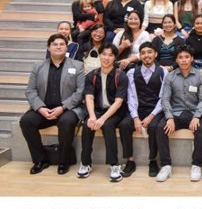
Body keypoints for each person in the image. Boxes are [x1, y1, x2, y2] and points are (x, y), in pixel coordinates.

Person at [20, 33, 85, 175]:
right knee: (26, 121)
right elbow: (30, 91)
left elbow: (80, 92)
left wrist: (62, 107)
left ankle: (63, 161)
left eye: (62, 44)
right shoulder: (38, 66)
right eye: (55, 44)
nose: (58, 47)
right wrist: (40, 108)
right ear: (48, 47)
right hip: (44, 109)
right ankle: (40, 160)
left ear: (67, 47)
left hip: (68, 108)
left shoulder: (78, 66)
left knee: (66, 122)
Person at [77, 43, 128, 182]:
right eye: (104, 54)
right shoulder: (92, 75)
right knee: (88, 125)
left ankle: (114, 165)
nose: (106, 58)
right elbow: (89, 96)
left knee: (107, 126)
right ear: (99, 55)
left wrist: (103, 119)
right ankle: (85, 163)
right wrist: (93, 116)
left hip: (115, 111)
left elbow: (118, 102)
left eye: (110, 55)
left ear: (115, 58)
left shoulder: (121, 76)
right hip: (97, 110)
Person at [157, 44, 202, 182]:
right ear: (177, 60)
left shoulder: (200, 76)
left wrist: (197, 116)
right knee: (161, 128)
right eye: (180, 57)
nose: (184, 60)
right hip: (176, 113)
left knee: (201, 129)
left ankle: (196, 165)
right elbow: (165, 99)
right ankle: (166, 165)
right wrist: (169, 117)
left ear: (192, 59)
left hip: (193, 112)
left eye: (187, 57)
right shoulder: (170, 77)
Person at [120, 42, 168, 178]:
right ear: (140, 56)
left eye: (149, 52)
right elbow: (131, 97)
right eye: (143, 53)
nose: (146, 55)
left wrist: (151, 116)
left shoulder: (163, 71)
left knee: (154, 127)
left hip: (156, 110)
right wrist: (135, 117)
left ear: (155, 54)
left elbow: (164, 97)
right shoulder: (131, 72)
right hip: (138, 108)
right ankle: (130, 161)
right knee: (124, 125)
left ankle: (153, 160)